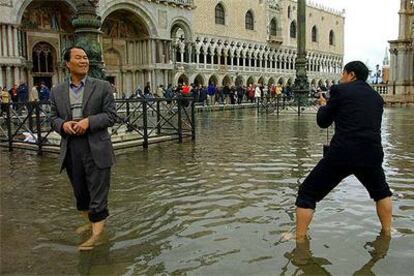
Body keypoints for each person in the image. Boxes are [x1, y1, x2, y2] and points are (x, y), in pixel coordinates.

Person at [294, 61, 393, 241]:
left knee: (307, 193)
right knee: (382, 192)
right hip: (372, 153)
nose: (341, 77)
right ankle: (387, 232)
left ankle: (299, 239)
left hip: (343, 153)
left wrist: (324, 105)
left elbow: (323, 122)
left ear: (351, 75)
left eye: (343, 74)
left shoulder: (340, 91)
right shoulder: (377, 97)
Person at [50, 46, 117, 250]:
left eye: (86, 58)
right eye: (78, 58)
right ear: (67, 64)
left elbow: (111, 116)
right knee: (81, 194)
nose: (84, 61)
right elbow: (52, 118)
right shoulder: (57, 91)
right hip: (71, 146)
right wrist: (63, 125)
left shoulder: (103, 86)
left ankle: (96, 236)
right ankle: (90, 223)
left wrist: (89, 122)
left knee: (98, 193)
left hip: (96, 145)